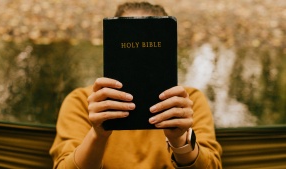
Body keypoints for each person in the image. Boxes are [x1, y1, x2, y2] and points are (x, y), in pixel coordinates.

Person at [49, 2, 222, 169]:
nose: (141, 59)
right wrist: (98, 135)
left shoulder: (187, 103)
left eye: (152, 47)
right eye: (129, 46)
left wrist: (180, 141)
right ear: (112, 49)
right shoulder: (82, 102)